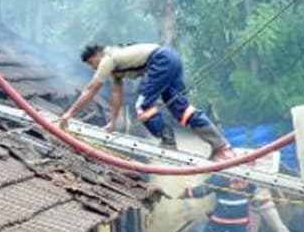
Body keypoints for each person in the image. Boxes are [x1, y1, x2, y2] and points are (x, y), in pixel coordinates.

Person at [60, 43, 233, 160]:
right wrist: (112, 123)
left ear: (96, 57)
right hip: (172, 58)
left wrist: (69, 113)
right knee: (182, 109)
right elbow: (116, 94)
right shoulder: (116, 60)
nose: (93, 68)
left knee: (142, 106)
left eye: (91, 64)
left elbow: (91, 88)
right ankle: (220, 146)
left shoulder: (107, 59)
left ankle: (168, 140)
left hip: (161, 60)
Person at [182, 173, 257, 232]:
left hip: (221, 219)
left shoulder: (220, 177)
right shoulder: (248, 176)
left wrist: (186, 193)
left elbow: (201, 191)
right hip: (241, 220)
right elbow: (254, 189)